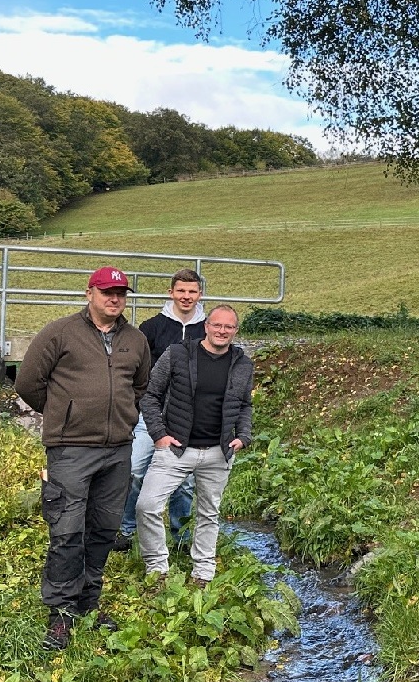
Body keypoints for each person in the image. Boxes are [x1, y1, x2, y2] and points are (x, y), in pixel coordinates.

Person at [16, 266, 152, 648]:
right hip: (71, 450)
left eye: (121, 293)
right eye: (107, 291)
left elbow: (140, 387)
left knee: (103, 530)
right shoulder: (60, 333)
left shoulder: (136, 340)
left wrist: (121, 417)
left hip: (116, 451)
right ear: (89, 292)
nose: (114, 299)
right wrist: (65, 413)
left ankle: (88, 604)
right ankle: (60, 614)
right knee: (66, 531)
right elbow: (28, 382)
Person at [137, 304, 254, 586]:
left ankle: (202, 573)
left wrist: (244, 436)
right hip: (176, 448)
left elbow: (245, 405)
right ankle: (157, 569)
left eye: (228, 327)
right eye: (217, 325)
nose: (222, 331)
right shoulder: (179, 354)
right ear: (206, 326)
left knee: (208, 514)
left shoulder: (243, 364)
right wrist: (158, 435)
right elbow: (151, 394)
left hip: (218, 452)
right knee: (147, 506)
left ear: (235, 331)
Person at [113, 270, 207, 553]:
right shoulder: (151, 327)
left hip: (190, 419)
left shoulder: (208, 329)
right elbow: (138, 371)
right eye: (181, 291)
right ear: (171, 293)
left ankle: (180, 538)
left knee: (185, 482)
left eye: (192, 292)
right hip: (149, 412)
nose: (186, 297)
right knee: (134, 470)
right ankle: (126, 530)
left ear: (200, 294)